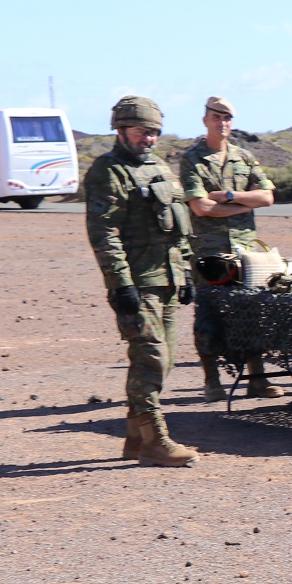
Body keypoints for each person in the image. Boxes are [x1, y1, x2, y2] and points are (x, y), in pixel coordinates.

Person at [85, 95, 203, 467]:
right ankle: (155, 440)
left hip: (167, 280)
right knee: (150, 358)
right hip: (138, 282)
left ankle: (136, 439)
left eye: (153, 133)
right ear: (120, 131)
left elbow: (179, 228)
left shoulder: (161, 168)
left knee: (163, 362)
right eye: (141, 132)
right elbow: (104, 232)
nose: (148, 139)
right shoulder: (108, 171)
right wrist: (120, 284)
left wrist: (184, 272)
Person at [177, 96, 283, 401]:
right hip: (210, 251)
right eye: (216, 117)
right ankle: (212, 381)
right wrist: (242, 205)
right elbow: (199, 207)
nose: (221, 123)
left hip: (246, 250)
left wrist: (227, 196)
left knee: (253, 313)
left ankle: (257, 379)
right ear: (205, 119)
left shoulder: (244, 157)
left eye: (226, 118)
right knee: (209, 316)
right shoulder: (192, 159)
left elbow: (267, 198)